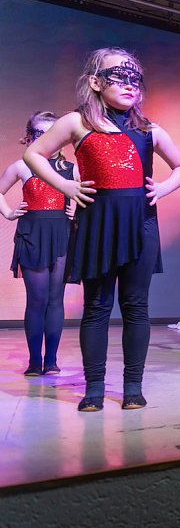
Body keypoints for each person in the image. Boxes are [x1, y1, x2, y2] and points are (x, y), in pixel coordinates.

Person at [24, 47, 180, 411]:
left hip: (140, 224)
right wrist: (65, 185)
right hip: (97, 224)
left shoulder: (148, 129)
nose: (130, 85)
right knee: (97, 307)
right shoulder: (77, 122)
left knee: (136, 306)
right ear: (96, 82)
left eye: (136, 79)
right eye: (119, 76)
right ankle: (94, 388)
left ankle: (133, 386)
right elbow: (33, 154)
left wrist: (163, 188)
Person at [0, 111, 77, 376]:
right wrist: (9, 213)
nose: (47, 139)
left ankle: (51, 361)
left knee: (55, 299)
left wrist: (77, 209)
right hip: (32, 235)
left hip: (61, 234)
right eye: (40, 133)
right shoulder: (22, 166)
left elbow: (91, 196)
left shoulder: (72, 169)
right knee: (37, 299)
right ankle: (35, 361)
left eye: (52, 133)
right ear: (30, 136)